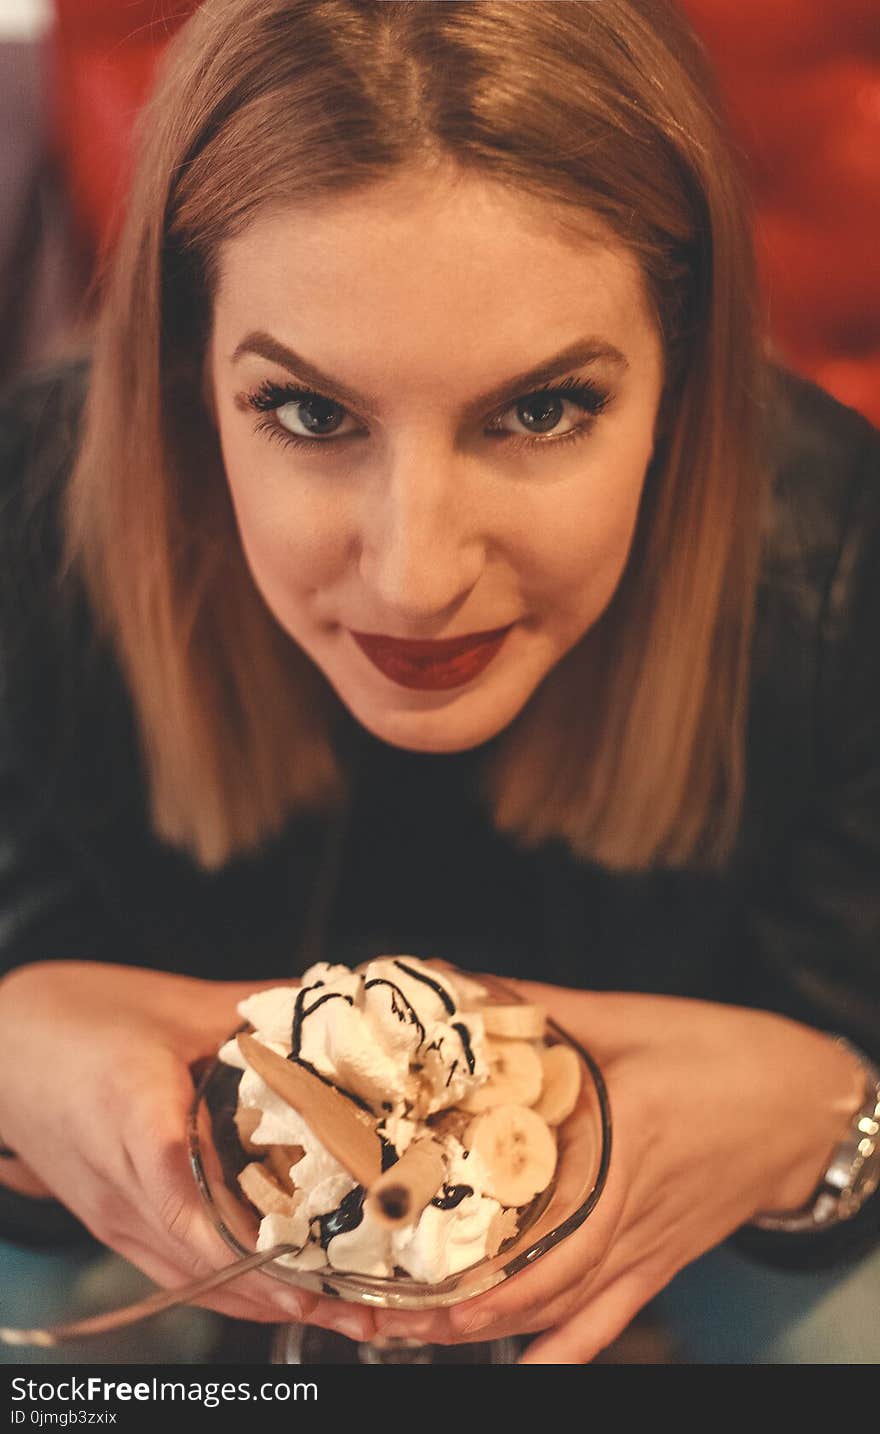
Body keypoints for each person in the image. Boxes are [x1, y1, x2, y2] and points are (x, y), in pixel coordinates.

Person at [0, 0, 878, 1366]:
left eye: (541, 410)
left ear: (685, 365)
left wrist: (833, 1116)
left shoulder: (844, 570)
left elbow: (847, 1068)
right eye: (309, 411)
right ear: (186, 368)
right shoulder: (26, 529)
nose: (417, 576)